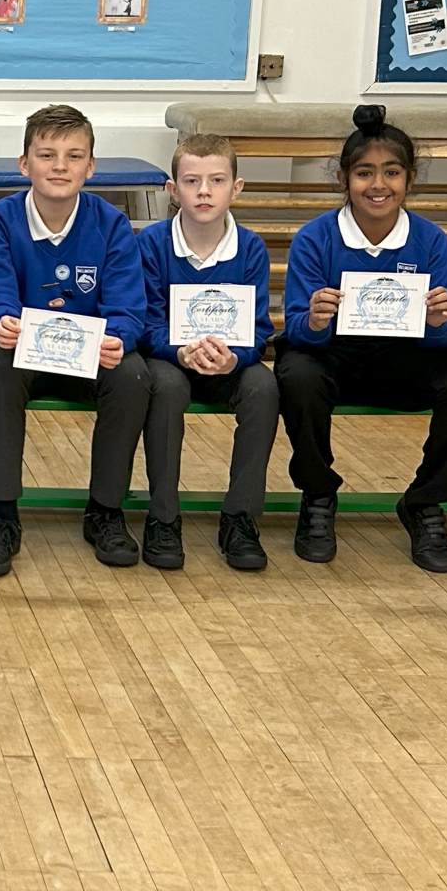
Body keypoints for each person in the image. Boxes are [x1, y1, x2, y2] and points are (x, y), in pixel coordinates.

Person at [275, 105, 447, 573]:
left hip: (405, 362)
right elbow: (294, 329)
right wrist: (314, 322)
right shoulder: (315, 238)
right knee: (295, 372)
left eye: (392, 172)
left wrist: (438, 323)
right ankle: (318, 495)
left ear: (409, 179)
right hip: (335, 361)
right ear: (343, 179)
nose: (378, 185)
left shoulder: (430, 240)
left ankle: (425, 501)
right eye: (364, 173)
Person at [0, 105, 149, 578]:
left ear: (91, 166)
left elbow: (127, 306)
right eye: (47, 155)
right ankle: (2, 515)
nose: (60, 166)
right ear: (24, 164)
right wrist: (1, 322)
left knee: (132, 373)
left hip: (88, 356)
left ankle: (105, 510)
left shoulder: (111, 224)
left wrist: (118, 337)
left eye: (74, 156)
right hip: (24, 354)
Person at [137, 134, 277, 572]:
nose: (204, 191)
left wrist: (235, 358)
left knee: (264, 387)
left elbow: (258, 328)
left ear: (236, 188)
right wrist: (179, 352)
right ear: (172, 189)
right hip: (170, 361)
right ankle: (163, 517)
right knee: (165, 389)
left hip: (230, 363)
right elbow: (146, 322)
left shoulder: (250, 248)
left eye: (217, 180)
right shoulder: (151, 244)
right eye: (191, 181)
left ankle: (239, 518)